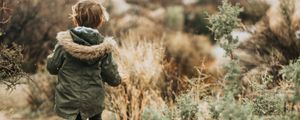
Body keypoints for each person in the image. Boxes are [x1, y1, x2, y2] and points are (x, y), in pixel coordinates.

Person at [46, 0, 121, 120]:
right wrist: (118, 78)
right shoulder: (104, 47)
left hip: (69, 100)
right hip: (93, 102)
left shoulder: (64, 44)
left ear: (76, 19)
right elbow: (113, 78)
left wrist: (52, 57)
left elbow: (52, 68)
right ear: (100, 20)